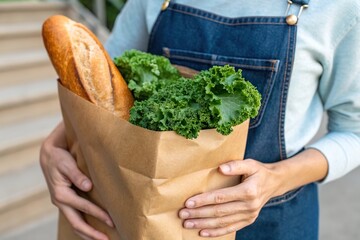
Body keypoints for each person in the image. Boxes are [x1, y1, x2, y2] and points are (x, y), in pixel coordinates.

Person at [40, 0, 360, 239]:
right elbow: (101, 92)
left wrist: (275, 178)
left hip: (271, 222)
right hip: (146, 218)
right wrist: (54, 147)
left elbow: (354, 132)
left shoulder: (337, 7)